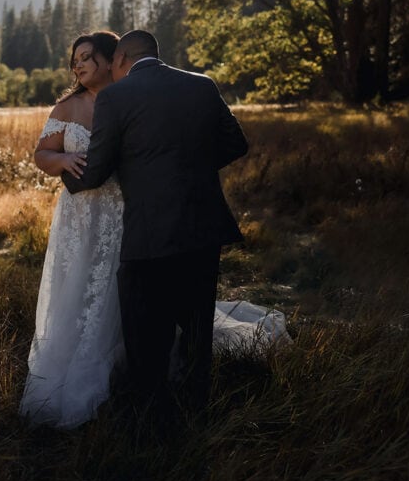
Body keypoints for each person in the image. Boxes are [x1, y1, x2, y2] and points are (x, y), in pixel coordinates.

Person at [61, 30, 249, 416]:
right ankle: (198, 407)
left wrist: (64, 176)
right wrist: (186, 171)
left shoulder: (116, 96)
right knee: (197, 325)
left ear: (123, 58)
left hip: (149, 230)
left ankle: (151, 414)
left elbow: (94, 171)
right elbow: (236, 143)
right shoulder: (201, 85)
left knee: (145, 328)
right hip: (202, 225)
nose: (112, 69)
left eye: (113, 62)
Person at [19, 31, 127, 429]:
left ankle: (124, 369)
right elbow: (40, 154)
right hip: (80, 215)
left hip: (122, 211)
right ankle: (75, 370)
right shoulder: (67, 108)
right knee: (77, 285)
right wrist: (62, 158)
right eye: (74, 61)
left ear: (109, 58)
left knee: (118, 286)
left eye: (86, 57)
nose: (78, 66)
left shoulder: (129, 98)